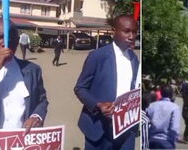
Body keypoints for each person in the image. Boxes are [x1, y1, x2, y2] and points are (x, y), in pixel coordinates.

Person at [74, 14, 139, 150]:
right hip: (99, 129)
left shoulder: (134, 59)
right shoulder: (98, 56)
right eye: (126, 31)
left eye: (134, 31)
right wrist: (98, 105)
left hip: (125, 130)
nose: (132, 36)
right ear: (114, 31)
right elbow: (80, 88)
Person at [0, 18, 48, 133]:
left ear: (17, 42)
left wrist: (37, 116)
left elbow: (41, 100)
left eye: (10, 38)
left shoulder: (32, 70)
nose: (5, 43)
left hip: (19, 142)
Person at [147, 85, 180, 149]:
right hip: (166, 141)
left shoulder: (151, 106)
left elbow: (146, 123)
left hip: (151, 141)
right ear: (171, 94)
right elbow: (174, 128)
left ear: (161, 93)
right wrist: (172, 142)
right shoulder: (174, 107)